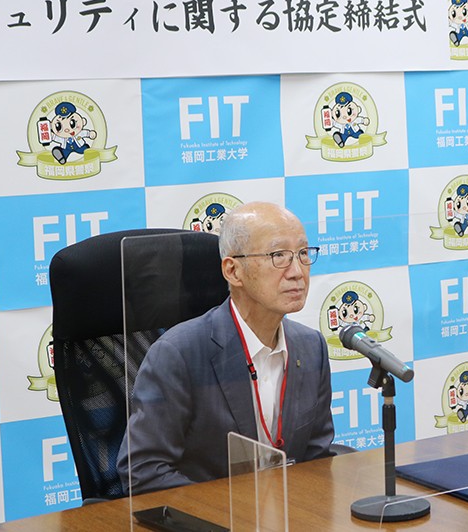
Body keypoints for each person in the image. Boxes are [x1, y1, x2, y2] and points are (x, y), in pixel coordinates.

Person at [118, 202, 335, 494]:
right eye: (278, 256)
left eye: (303, 253)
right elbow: (142, 472)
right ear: (233, 271)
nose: (297, 271)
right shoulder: (178, 354)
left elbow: (317, 458)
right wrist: (232, 512)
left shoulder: (311, 347)